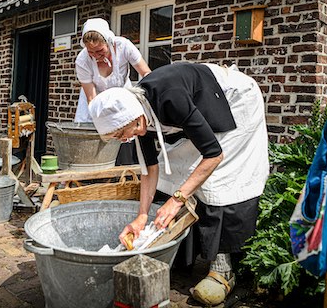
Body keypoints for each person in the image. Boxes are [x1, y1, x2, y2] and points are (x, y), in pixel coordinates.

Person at [88, 62, 269, 306]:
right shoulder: (138, 114)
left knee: (218, 179)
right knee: (172, 172)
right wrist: (142, 216)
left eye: (123, 132)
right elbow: (150, 169)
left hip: (235, 101)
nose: (126, 139)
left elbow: (214, 155)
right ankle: (182, 255)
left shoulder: (168, 98)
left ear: (133, 116)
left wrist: (177, 200)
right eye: (119, 137)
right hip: (201, 103)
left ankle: (223, 267)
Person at [75, 18, 151, 164]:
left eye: (99, 51)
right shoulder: (82, 60)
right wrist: (105, 121)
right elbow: (92, 98)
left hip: (122, 97)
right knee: (95, 140)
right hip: (95, 103)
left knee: (125, 135)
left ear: (108, 41)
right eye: (91, 52)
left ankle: (124, 173)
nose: (96, 56)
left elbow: (146, 73)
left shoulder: (124, 46)